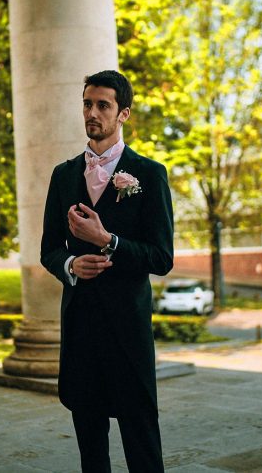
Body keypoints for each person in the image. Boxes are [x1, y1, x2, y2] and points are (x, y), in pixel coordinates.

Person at [41, 70, 174, 473]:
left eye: (103, 105)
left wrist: (108, 240)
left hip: (127, 332)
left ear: (123, 114)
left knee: (141, 441)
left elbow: (161, 258)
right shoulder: (63, 175)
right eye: (87, 104)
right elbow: (49, 249)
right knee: (90, 446)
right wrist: (71, 265)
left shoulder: (149, 175)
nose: (92, 113)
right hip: (80, 329)